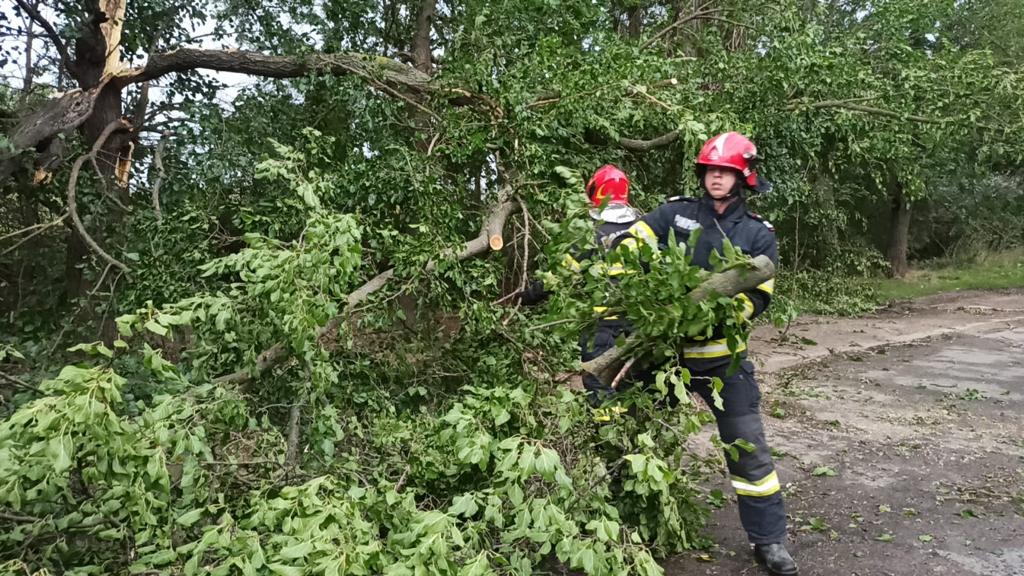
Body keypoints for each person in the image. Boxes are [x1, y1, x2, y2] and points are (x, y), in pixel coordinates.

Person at [612, 132, 797, 575]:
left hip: (721, 362)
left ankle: (769, 542)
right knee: (639, 438)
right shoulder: (673, 214)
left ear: (743, 177)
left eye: (725, 172)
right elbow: (626, 249)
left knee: (747, 449)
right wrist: (635, 286)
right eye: (711, 170)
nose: (716, 178)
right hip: (663, 358)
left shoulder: (757, 234)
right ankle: (625, 526)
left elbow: (760, 297)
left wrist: (719, 314)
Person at [520, 164, 642, 411]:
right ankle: (632, 434)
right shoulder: (645, 229)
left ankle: (608, 441)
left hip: (601, 328)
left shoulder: (590, 235)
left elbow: (560, 277)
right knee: (628, 384)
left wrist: (528, 296)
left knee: (598, 383)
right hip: (637, 325)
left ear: (596, 193)